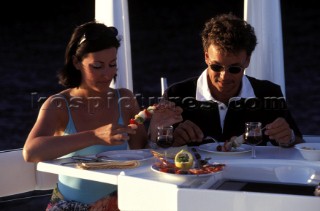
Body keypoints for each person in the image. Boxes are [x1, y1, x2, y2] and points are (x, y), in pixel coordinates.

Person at [23, 21, 182, 211]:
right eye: (97, 66)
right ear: (76, 62)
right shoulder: (58, 104)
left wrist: (157, 128)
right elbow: (30, 152)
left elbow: (142, 152)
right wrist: (95, 135)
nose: (107, 74)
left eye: (112, 64)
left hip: (120, 204)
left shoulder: (125, 98)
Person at [163, 13, 304, 147]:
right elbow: (154, 149)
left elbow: (298, 142)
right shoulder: (175, 95)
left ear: (247, 61)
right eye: (217, 67)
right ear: (206, 57)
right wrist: (173, 140)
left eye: (234, 69)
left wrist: (288, 136)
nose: (225, 76)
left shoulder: (269, 93)